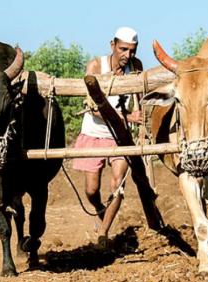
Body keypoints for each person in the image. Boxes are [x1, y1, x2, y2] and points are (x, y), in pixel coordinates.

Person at [72, 26, 143, 246]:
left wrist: (140, 128)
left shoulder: (136, 67)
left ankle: (103, 233)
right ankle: (99, 209)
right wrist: (129, 118)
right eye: (123, 49)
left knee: (117, 184)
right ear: (112, 45)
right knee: (91, 190)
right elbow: (92, 108)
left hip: (120, 137)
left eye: (132, 50)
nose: (127, 55)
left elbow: (140, 100)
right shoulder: (95, 66)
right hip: (94, 133)